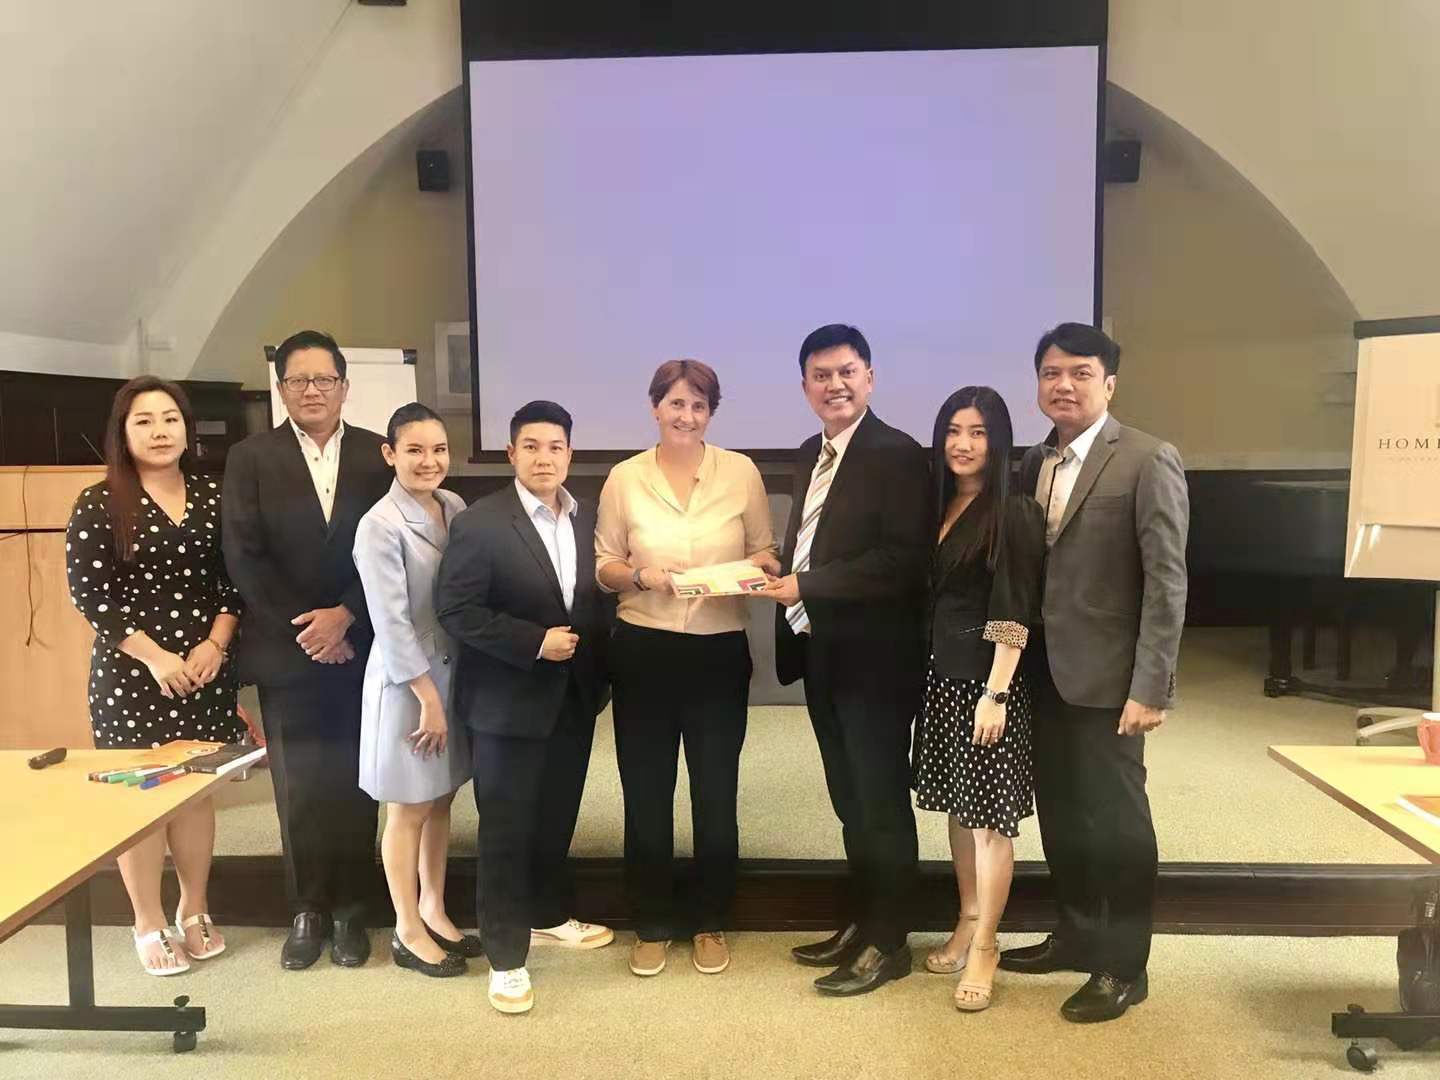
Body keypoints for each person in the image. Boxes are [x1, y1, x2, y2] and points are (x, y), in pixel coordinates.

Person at [999, 323, 1188, 1023]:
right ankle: (1077, 934)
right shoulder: (1032, 462)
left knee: (1116, 821)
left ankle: (1123, 965)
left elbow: (1167, 582)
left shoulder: (1147, 458)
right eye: (1051, 372)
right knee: (1061, 810)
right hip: (1042, 671)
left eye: (1080, 373)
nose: (1064, 385)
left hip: (1111, 678)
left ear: (1109, 383)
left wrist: (1151, 686)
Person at [594, 359, 779, 979]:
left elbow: (765, 550)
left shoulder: (741, 472)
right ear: (655, 407)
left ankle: (709, 919)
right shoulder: (625, 477)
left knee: (715, 790)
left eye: (699, 405)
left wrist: (753, 571)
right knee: (646, 791)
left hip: (717, 650)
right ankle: (650, 922)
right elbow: (605, 566)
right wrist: (642, 575)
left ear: (711, 413)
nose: (687, 415)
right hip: (642, 648)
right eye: (676, 403)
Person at [766, 324, 930, 996]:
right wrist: (778, 574)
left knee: (880, 802)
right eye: (821, 375)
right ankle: (864, 921)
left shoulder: (899, 454)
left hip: (876, 659)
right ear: (805, 386)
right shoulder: (813, 452)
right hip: (821, 651)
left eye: (846, 372)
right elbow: (816, 540)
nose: (834, 385)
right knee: (849, 800)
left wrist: (807, 585)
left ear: (869, 377)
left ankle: (890, 943)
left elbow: (901, 562)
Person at [435, 400, 614, 1015]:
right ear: (511, 453)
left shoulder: (587, 518)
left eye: (555, 447)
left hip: (573, 698)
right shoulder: (482, 523)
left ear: (570, 453)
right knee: (506, 831)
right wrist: (534, 642)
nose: (544, 458)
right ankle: (506, 956)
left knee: (556, 817)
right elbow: (456, 610)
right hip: (506, 703)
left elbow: (595, 601)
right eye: (531, 446)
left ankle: (546, 914)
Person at [221, 329, 391, 971]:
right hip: (287, 647)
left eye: (324, 379)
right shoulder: (250, 457)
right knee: (297, 785)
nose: (312, 390)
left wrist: (345, 616)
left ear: (344, 386)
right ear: (281, 387)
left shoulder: (379, 454)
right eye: (299, 380)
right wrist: (308, 631)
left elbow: (390, 547)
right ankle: (308, 907)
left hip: (360, 642)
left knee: (356, 777)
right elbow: (243, 554)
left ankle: (352, 907)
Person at [65, 376, 243, 975]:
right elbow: (91, 595)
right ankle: (147, 919)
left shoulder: (215, 496)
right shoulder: (98, 501)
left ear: (187, 430)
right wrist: (156, 657)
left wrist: (216, 644)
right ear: (123, 433)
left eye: (170, 419)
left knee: (193, 795)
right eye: (144, 421)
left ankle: (195, 908)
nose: (160, 431)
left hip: (205, 670)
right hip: (132, 674)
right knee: (142, 800)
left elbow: (233, 583)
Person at [910, 387, 1044, 1012]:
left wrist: (997, 692)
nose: (962, 444)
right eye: (953, 431)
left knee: (989, 820)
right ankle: (966, 919)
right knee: (959, 814)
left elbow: (1014, 608)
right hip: (941, 681)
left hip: (986, 686)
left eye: (978, 432)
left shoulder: (1013, 512)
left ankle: (987, 945)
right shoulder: (940, 505)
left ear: (999, 441)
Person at [352, 403, 477, 978]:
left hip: (454, 671)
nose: (430, 461)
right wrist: (429, 699)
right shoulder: (378, 525)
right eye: (415, 450)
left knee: (441, 795)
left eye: (439, 450)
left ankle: (434, 907)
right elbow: (392, 624)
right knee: (407, 805)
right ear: (390, 454)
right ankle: (406, 928)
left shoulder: (454, 506)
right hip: (410, 683)